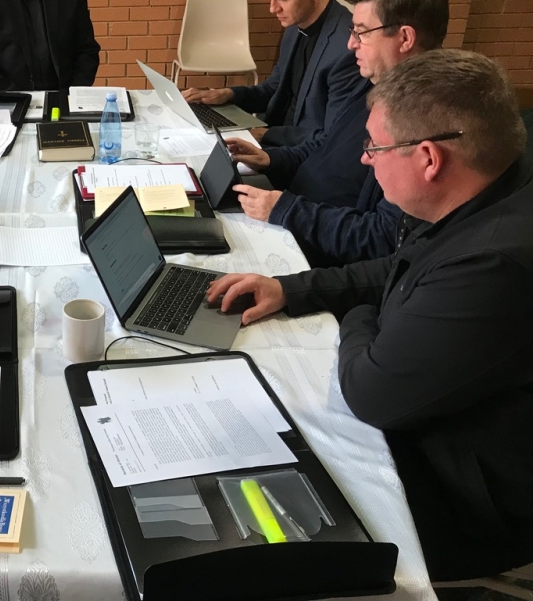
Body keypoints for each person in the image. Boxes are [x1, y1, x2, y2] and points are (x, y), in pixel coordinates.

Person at [206, 50, 533, 580]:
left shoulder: (493, 263)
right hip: (437, 417)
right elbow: (399, 267)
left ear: (429, 159)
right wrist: (291, 288)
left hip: (466, 495)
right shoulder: (487, 188)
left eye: (375, 147)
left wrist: (361, 311)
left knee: (240, 468)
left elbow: (371, 393)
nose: (365, 160)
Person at [224, 0, 449, 266]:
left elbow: (380, 238)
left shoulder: (427, 121)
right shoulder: (373, 83)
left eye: (362, 32)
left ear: (405, 38)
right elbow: (326, 143)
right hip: (292, 209)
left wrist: (287, 210)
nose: (351, 44)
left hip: (315, 243)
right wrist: (270, 159)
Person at [184, 0, 369, 147]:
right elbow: (274, 88)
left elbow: (331, 137)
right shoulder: (295, 24)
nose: (273, 8)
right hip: (275, 139)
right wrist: (227, 95)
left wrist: (266, 136)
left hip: (302, 154)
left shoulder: (347, 48)